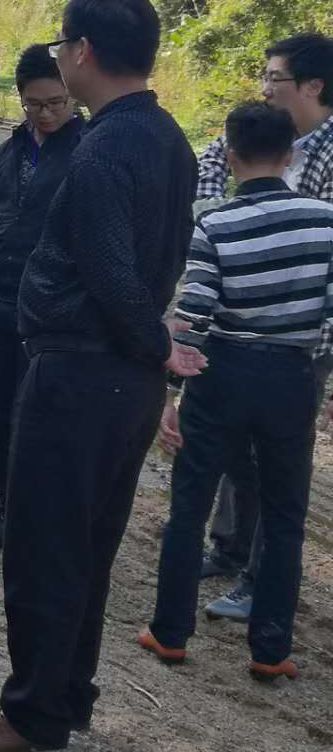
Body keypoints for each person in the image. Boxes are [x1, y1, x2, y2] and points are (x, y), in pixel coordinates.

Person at [0, 0, 203, 752]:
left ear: (82, 51)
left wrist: (157, 345)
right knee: (87, 550)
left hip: (83, 375)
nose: (60, 61)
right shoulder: (169, 139)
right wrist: (153, 357)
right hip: (124, 385)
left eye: (62, 48)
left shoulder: (102, 150)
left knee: (44, 552)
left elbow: (116, 278)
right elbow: (162, 265)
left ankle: (26, 721)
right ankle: (60, 703)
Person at [139, 102, 333, 682]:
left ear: (227, 157)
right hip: (293, 377)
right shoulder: (326, 222)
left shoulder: (216, 223)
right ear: (291, 154)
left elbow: (193, 315)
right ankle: (270, 649)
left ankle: (170, 633)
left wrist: (171, 391)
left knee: (190, 504)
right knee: (284, 513)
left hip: (223, 372)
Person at [188, 33, 333, 619]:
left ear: (312, 87)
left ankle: (263, 581)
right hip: (244, 324)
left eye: (274, 78)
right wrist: (209, 216)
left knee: (279, 462)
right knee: (236, 444)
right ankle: (229, 547)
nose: (265, 87)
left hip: (300, 336)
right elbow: (208, 160)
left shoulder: (324, 154)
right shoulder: (270, 137)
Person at [0, 45, 83, 551]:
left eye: (57, 102)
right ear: (20, 99)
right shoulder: (11, 152)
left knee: (47, 421)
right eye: (35, 104)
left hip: (53, 315)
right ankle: (10, 511)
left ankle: (45, 519)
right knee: (1, 413)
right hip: (3, 305)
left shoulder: (87, 151)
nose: (48, 113)